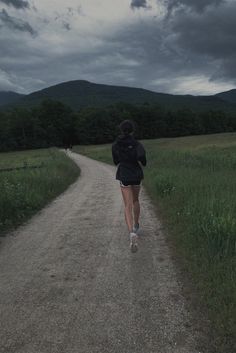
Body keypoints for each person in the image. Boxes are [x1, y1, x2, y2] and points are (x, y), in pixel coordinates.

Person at [112, 120, 147, 253]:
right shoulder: (137, 143)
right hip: (136, 174)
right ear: (132, 130)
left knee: (127, 204)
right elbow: (143, 158)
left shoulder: (116, 144)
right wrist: (140, 161)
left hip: (124, 175)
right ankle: (137, 225)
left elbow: (116, 161)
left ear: (121, 130)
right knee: (136, 200)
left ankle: (131, 232)